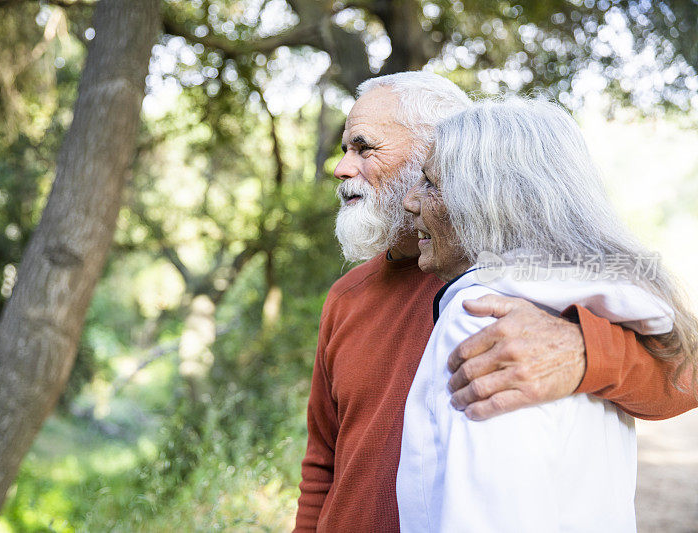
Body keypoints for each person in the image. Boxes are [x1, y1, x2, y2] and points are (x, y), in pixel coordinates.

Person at [293, 71, 697, 532]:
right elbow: (322, 462)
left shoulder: (528, 291)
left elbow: (686, 377)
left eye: (365, 148)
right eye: (345, 150)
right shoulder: (347, 296)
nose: (342, 168)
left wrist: (585, 353)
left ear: (440, 151)